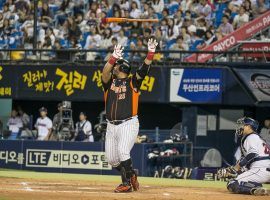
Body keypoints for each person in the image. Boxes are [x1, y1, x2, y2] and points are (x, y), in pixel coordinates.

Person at [102, 37, 158, 193]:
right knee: (112, 160)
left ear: (122, 69)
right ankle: (131, 173)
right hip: (111, 125)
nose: (113, 66)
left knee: (123, 152)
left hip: (128, 123)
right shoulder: (110, 83)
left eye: (116, 65)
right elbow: (104, 72)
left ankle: (126, 183)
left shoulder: (133, 82)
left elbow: (143, 70)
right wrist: (113, 57)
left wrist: (150, 53)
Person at [217, 117, 270, 196]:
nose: (240, 127)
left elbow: (252, 154)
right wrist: (232, 171)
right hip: (263, 169)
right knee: (242, 181)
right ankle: (259, 188)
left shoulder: (251, 137)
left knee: (232, 183)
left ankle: (255, 190)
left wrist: (235, 168)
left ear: (248, 127)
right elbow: (248, 163)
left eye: (242, 125)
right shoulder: (257, 138)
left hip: (261, 169)